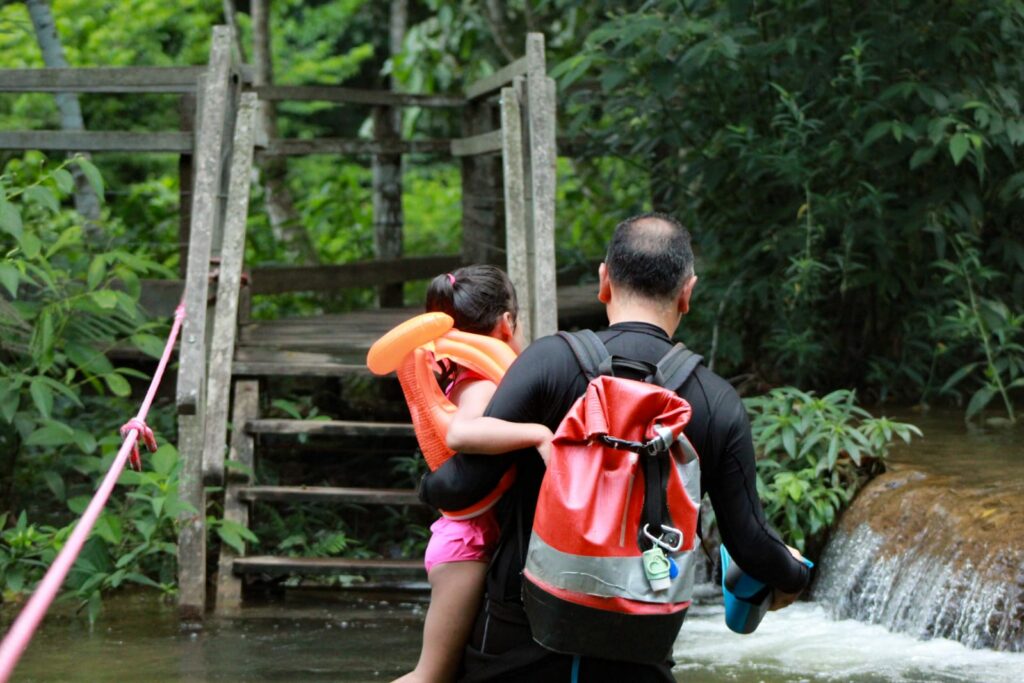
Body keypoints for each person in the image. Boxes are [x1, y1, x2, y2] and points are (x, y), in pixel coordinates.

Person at [419, 213, 812, 682]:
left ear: (604, 282)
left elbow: (463, 487)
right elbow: (748, 542)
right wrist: (792, 574)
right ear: (687, 292)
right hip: (636, 656)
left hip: (516, 643)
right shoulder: (715, 401)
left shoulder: (547, 363)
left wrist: (430, 479)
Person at [395, 265, 554, 683]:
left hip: (466, 540)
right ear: (506, 323)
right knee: (430, 676)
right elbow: (463, 432)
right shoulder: (479, 380)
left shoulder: (463, 371)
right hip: (465, 546)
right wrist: (538, 434)